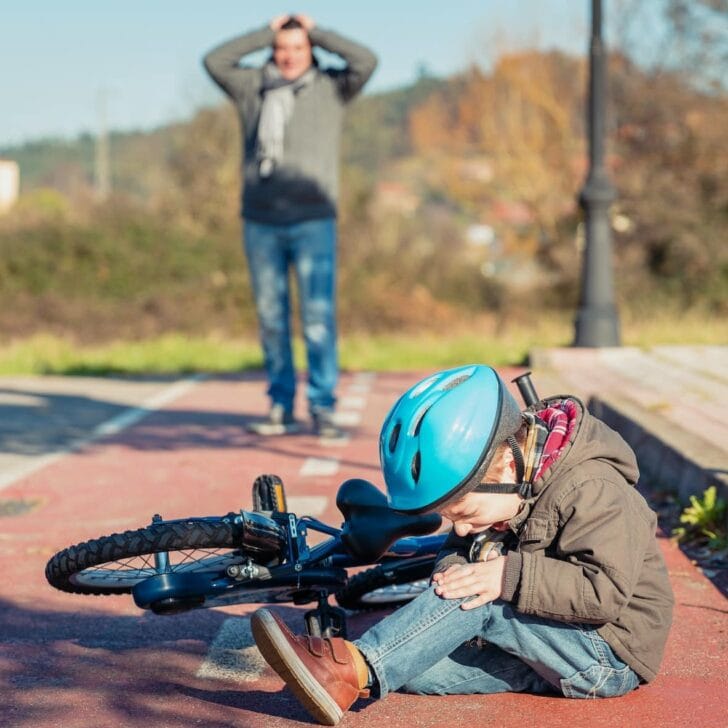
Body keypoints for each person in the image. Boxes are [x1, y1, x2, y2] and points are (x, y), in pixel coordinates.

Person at [250, 364, 675, 725]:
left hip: (606, 652)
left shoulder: (593, 488)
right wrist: (448, 575)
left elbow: (603, 594)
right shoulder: (501, 485)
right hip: (548, 638)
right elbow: (458, 552)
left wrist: (503, 575)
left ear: (508, 463)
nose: (464, 529)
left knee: (479, 594)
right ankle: (364, 667)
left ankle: (346, 670)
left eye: (465, 514)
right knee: (412, 669)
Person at [203, 15, 377, 437]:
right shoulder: (252, 87)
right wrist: (269, 30)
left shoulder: (331, 87)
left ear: (311, 50)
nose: (289, 56)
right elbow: (214, 61)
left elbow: (366, 61)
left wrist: (316, 32)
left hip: (314, 219)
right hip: (262, 220)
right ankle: (280, 405)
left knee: (318, 317)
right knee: (271, 318)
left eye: (298, 48)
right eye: (282, 48)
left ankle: (322, 406)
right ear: (272, 49)